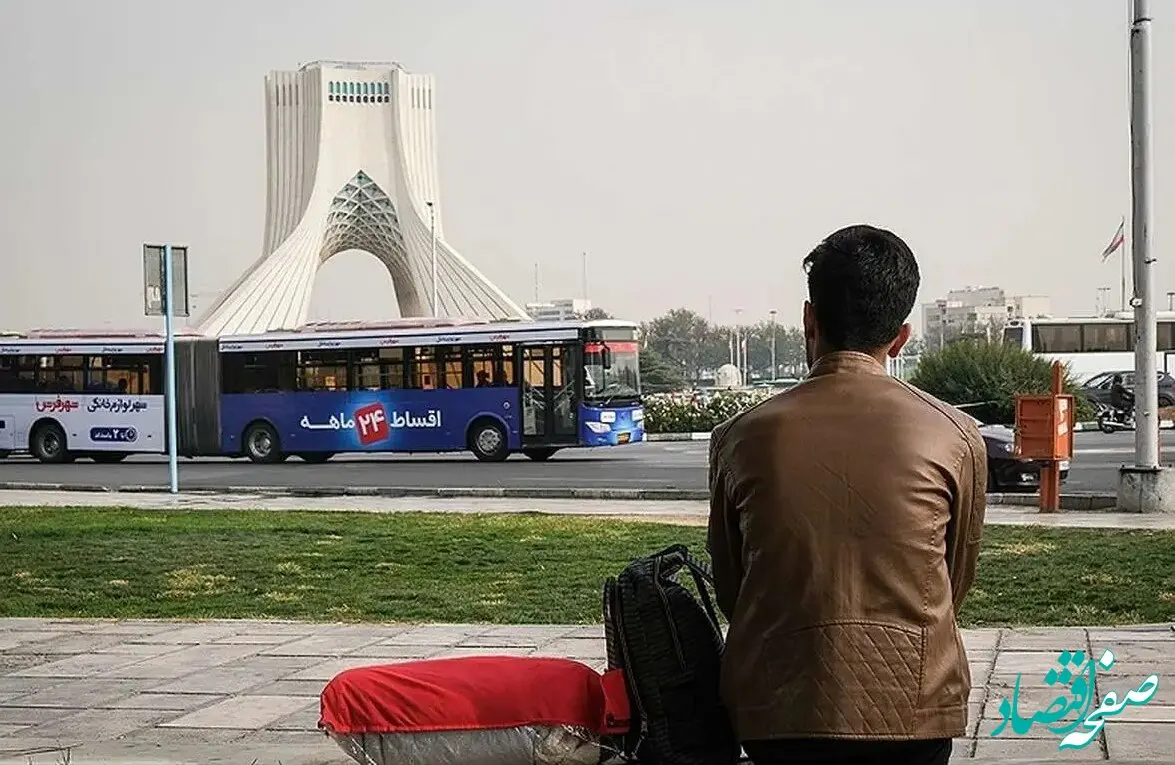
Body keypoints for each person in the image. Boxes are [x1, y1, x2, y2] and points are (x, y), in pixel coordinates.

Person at [707, 224, 987, 765]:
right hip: (914, 707)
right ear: (901, 337)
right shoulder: (954, 435)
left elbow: (732, 585)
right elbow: (954, 581)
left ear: (809, 320)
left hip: (778, 710)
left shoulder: (738, 437)